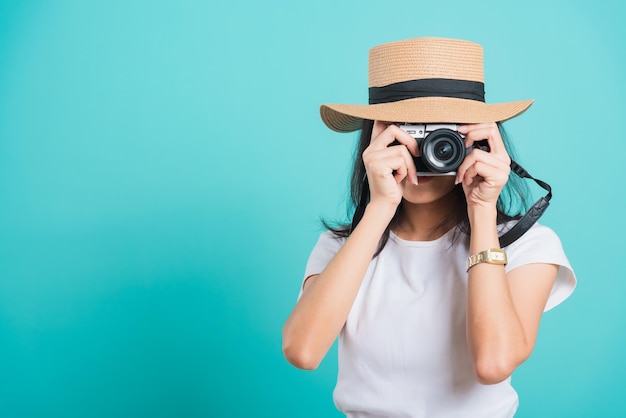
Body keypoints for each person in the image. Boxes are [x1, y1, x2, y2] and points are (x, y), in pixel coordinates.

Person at [282, 37, 576, 417]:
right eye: (406, 134)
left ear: (480, 139)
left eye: (442, 137)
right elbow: (303, 351)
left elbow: (493, 364)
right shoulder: (342, 247)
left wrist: (483, 211)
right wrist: (379, 207)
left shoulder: (528, 245)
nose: (423, 153)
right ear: (373, 138)